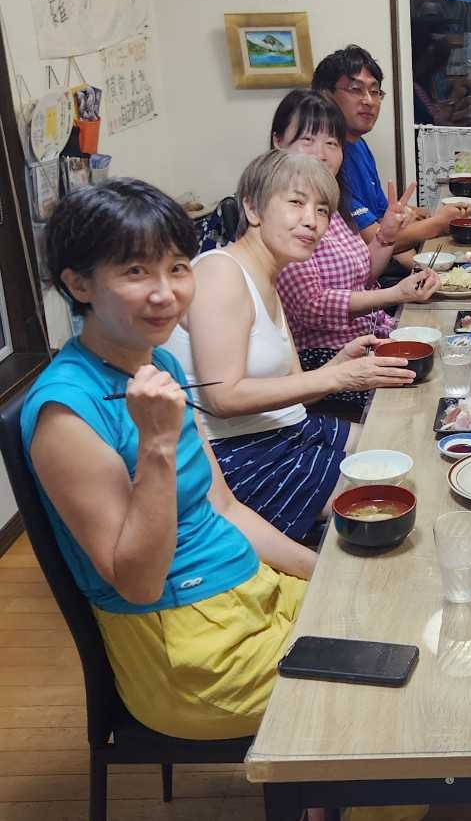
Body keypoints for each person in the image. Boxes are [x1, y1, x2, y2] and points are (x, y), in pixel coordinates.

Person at [20, 179, 316, 742]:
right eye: (136, 272)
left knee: (388, 611)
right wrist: (156, 445)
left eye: (177, 267)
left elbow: (224, 508)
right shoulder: (66, 412)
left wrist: (320, 572)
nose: (165, 293)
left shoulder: (158, 365)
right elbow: (137, 583)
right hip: (189, 651)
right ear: (79, 284)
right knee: (399, 682)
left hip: (248, 593)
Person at [165, 151, 416, 541]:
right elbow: (222, 398)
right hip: (237, 456)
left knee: (403, 446)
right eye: (296, 203)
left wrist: (337, 364)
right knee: (391, 497)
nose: (312, 221)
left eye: (322, 210)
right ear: (253, 208)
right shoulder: (221, 273)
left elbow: (295, 391)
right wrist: (338, 379)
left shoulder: (268, 275)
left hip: (285, 429)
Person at [270, 89, 442, 410]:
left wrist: (385, 238)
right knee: (427, 404)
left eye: (331, 143)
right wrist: (394, 294)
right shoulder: (280, 213)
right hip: (326, 360)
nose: (321, 154)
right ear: (279, 142)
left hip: (370, 337)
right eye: (307, 140)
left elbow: (363, 277)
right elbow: (312, 307)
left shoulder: (329, 204)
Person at [313, 44, 464, 250]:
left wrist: (421, 217)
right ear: (326, 96)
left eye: (375, 92)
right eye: (356, 89)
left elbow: (383, 216)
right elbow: (374, 239)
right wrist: (439, 223)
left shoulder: (359, 145)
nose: (369, 101)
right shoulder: (325, 162)